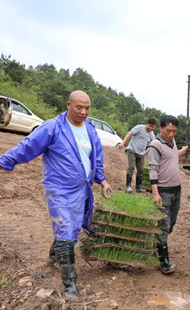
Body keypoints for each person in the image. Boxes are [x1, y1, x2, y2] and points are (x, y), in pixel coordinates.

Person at [0, 90, 112, 298]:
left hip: (82, 188)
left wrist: (102, 181)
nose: (84, 112)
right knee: (67, 230)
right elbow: (27, 147)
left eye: (87, 108)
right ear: (68, 105)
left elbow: (96, 158)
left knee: (71, 226)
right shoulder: (53, 127)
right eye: (79, 107)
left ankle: (54, 257)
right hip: (59, 188)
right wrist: (4, 161)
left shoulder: (90, 130)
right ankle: (70, 287)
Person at [146, 115, 188, 274]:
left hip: (176, 190)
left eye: (174, 131)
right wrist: (155, 193)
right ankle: (164, 262)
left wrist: (181, 152)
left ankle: (157, 247)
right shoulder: (155, 145)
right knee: (164, 226)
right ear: (161, 128)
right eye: (168, 131)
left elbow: (171, 156)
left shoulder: (171, 142)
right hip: (163, 191)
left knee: (171, 223)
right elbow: (153, 170)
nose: (171, 134)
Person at [118, 118, 156, 193]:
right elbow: (129, 134)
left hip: (141, 153)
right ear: (147, 124)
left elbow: (154, 143)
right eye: (149, 126)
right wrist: (123, 143)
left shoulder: (152, 134)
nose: (150, 128)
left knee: (141, 169)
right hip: (132, 149)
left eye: (152, 127)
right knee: (131, 167)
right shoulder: (139, 127)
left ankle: (138, 187)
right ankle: (128, 186)